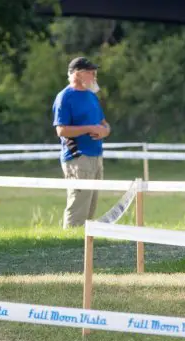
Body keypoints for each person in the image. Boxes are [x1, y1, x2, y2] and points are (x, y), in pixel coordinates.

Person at [52, 56, 111, 228]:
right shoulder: (64, 97)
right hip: (78, 157)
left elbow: (103, 124)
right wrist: (89, 129)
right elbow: (61, 130)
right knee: (78, 207)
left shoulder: (91, 96)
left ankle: (86, 248)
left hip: (96, 157)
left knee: (90, 208)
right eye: (91, 73)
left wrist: (104, 132)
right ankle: (69, 246)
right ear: (78, 74)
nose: (95, 76)